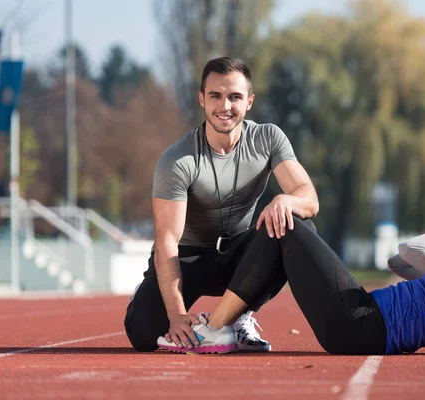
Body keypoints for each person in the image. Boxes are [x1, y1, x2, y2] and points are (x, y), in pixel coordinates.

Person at [156, 189, 425, 355]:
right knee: (289, 230)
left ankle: (215, 329)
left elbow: (410, 249)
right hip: (363, 324)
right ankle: (232, 323)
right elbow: (399, 264)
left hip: (361, 325)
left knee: (285, 222)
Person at [124, 56, 319, 353]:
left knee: (295, 224)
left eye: (235, 97)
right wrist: (176, 315)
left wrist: (285, 199)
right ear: (202, 99)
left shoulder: (268, 138)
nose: (225, 106)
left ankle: (235, 318)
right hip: (189, 258)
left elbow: (309, 198)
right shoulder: (177, 160)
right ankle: (148, 296)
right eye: (215, 95)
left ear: (249, 101)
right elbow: (167, 240)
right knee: (144, 334)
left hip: (240, 256)